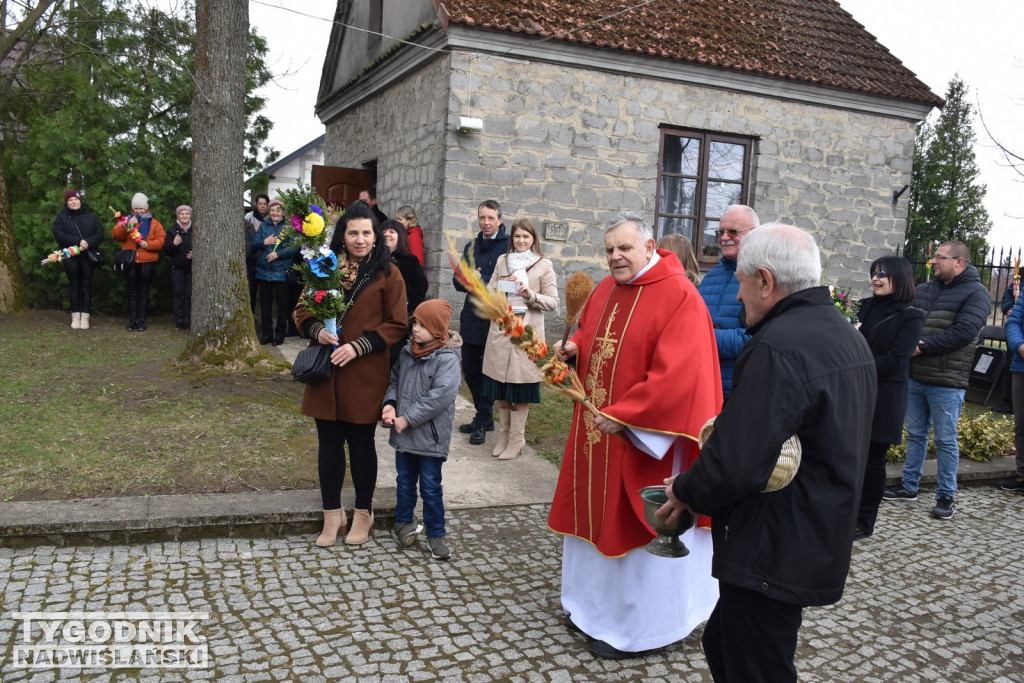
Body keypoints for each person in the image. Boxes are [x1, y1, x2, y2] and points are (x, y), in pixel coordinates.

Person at [661, 224, 877, 681]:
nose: (737, 295)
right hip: (811, 530)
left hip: (773, 541)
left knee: (756, 666)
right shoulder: (846, 334)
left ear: (765, 279)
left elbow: (737, 460)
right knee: (724, 643)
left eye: (741, 281)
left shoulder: (778, 346)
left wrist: (684, 490)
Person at [548, 211, 722, 659]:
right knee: (591, 515)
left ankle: (642, 628)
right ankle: (588, 608)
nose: (615, 257)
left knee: (636, 526)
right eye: (609, 250)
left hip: (645, 441)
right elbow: (594, 339)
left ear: (649, 247)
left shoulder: (679, 295)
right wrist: (573, 350)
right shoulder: (606, 289)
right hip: (596, 433)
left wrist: (627, 417)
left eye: (624, 248)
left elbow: (680, 376)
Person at [293, 201, 407, 547]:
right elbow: (301, 310)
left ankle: (363, 513)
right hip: (326, 372)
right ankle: (332, 515)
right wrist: (316, 331)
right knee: (328, 445)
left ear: (377, 237)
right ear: (342, 235)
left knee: (360, 446)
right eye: (353, 232)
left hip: (364, 371)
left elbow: (398, 324)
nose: (360, 239)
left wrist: (358, 346)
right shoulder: (322, 268)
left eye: (366, 233)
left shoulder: (389, 273)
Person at [883, 241, 991, 519]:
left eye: (940, 257)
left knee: (945, 440)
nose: (934, 261)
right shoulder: (924, 290)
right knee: (916, 434)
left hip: (946, 379)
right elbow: (904, 319)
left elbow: (965, 332)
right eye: (934, 257)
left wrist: (921, 346)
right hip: (915, 374)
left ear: (959, 262)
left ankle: (946, 495)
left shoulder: (977, 294)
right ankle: (909, 486)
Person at [383, 299, 462, 561]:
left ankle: (436, 534)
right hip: (405, 435)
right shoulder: (407, 352)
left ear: (438, 329)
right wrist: (390, 405)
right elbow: (394, 381)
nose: (415, 328)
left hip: (430, 438)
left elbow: (440, 397)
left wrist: (409, 418)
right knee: (404, 482)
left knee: (430, 486)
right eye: (414, 322)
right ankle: (403, 522)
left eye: (423, 325)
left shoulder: (447, 359)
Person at [853, 256, 924, 539]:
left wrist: (855, 367)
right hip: (855, 392)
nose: (875, 278)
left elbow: (896, 359)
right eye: (873, 273)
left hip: (884, 398)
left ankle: (864, 520)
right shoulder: (861, 307)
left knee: (872, 461)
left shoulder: (911, 316)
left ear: (900, 277)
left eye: (882, 273)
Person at [482, 218, 559, 460]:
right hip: (502, 333)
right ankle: (504, 436)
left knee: (521, 390)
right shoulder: (503, 260)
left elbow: (553, 302)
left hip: (526, 338)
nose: (521, 241)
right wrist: (501, 290)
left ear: (534, 239)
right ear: (511, 238)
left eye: (526, 237)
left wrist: (529, 294)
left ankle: (517, 439)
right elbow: (491, 289)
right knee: (502, 389)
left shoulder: (544, 265)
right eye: (517, 236)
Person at [453, 200, 510, 445]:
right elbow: (457, 283)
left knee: (488, 371)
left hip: (493, 317)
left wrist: (482, 278)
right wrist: (465, 278)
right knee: (471, 369)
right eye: (481, 218)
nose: (485, 222)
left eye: (490, 218)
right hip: (471, 315)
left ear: (499, 220)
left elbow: (512, 285)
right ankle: (484, 416)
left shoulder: (509, 247)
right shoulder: (471, 246)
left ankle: (483, 417)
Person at [698, 205, 760, 397]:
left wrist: (705, 337)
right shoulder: (710, 277)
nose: (724, 237)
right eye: (720, 231)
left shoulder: (761, 278)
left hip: (740, 393)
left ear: (754, 234)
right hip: (705, 390)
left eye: (733, 231)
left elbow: (759, 339)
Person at [51, 189, 104, 330]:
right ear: (66, 202)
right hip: (70, 255)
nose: (73, 202)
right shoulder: (61, 217)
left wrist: (88, 242)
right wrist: (78, 242)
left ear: (80, 200)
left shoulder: (91, 216)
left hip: (87, 256)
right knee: (74, 286)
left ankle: (85, 317)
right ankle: (75, 316)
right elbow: (59, 235)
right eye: (70, 200)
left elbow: (100, 234)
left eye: (75, 199)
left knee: (86, 286)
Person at [113, 192, 165, 332]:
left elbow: (161, 240)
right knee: (132, 291)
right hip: (130, 261)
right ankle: (132, 320)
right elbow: (116, 235)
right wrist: (127, 224)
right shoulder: (127, 220)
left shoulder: (154, 223)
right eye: (136, 208)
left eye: (141, 208)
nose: (138, 211)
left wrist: (147, 245)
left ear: (146, 209)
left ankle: (142, 320)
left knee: (144, 291)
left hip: (147, 261)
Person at [382, 218, 428, 367]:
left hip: (399, 317)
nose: (387, 234)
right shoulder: (374, 260)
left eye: (392, 231)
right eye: (384, 231)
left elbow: (420, 287)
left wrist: (405, 303)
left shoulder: (410, 260)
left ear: (400, 236)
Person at [252, 199, 297, 345]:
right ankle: (267, 335)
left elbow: (294, 248)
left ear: (283, 212)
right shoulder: (263, 225)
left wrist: (278, 254)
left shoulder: (288, 227)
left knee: (282, 306)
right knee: (265, 306)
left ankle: (280, 335)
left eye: (277, 210)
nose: (274, 213)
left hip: (281, 272)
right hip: (264, 272)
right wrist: (264, 242)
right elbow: (254, 244)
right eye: (272, 210)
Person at [1000, 294, 1024, 491]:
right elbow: (1013, 322)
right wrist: (1019, 345)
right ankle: (1022, 475)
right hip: (1022, 367)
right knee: (1021, 424)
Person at [163, 204, 194, 331]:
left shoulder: (195, 229)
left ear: (190, 215)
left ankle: (191, 321)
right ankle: (179, 322)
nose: (185, 216)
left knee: (190, 294)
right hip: (177, 267)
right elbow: (166, 249)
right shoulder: (172, 230)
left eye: (187, 213)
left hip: (192, 268)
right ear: (178, 216)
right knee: (178, 295)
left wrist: (196, 254)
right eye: (182, 214)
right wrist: (174, 244)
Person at [244, 194, 269, 316]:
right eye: (260, 204)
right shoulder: (249, 217)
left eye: (265, 204)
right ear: (256, 204)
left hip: (266, 258)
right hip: (253, 259)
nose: (262, 206)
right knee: (251, 291)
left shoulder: (271, 217)